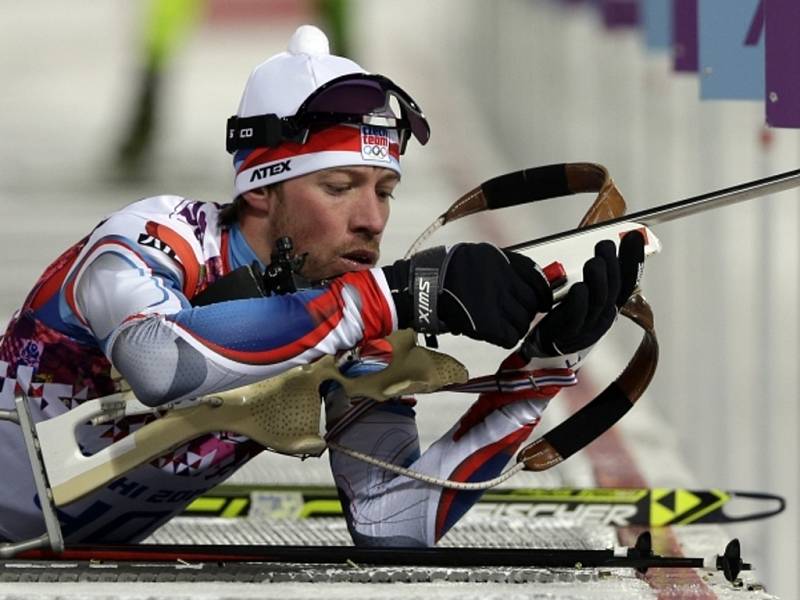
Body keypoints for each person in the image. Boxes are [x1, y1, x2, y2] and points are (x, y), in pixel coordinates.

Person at [0, 25, 643, 546]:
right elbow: (158, 362)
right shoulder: (155, 239)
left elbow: (395, 524)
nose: (371, 219)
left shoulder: (352, 311)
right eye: (338, 189)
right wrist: (392, 296)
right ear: (261, 189)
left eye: (385, 192)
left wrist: (539, 371)